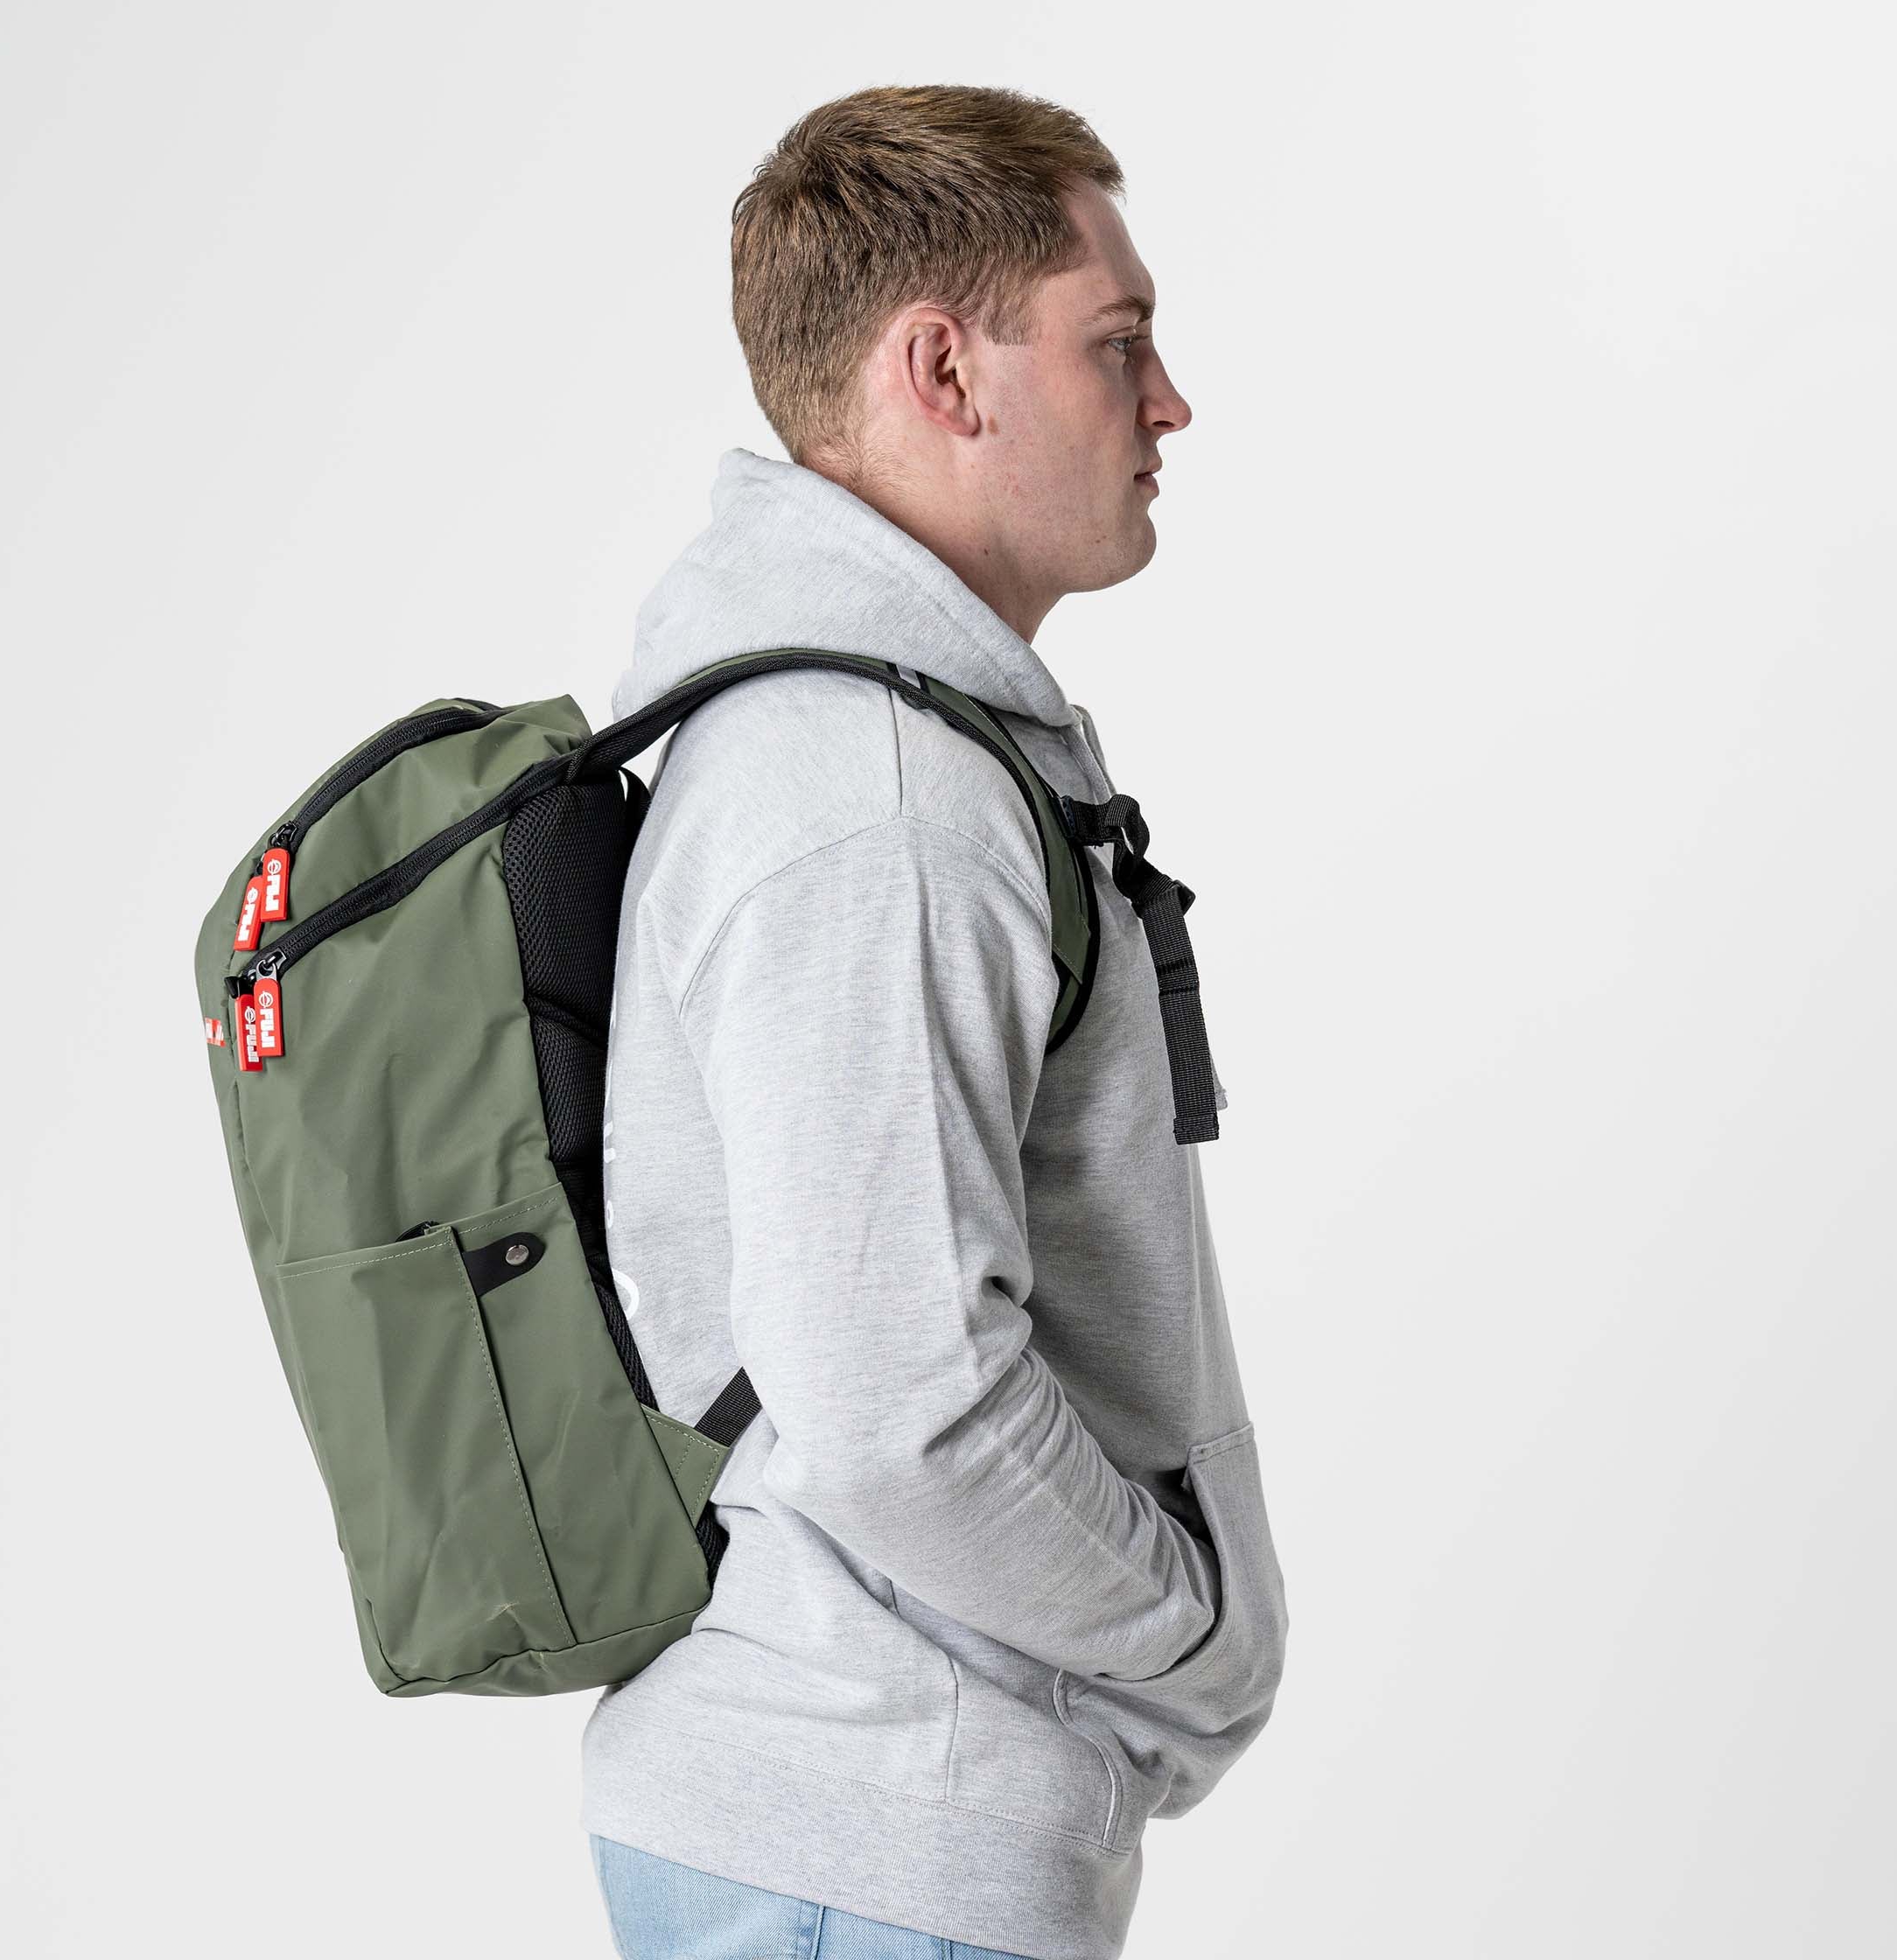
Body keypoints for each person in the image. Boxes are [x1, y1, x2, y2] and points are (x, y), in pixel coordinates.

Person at [580, 83, 1289, 1960]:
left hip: (863, 1821)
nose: (1168, 403)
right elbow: (898, 1407)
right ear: (945, 371)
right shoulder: (872, 799)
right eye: (1117, 343)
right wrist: (1200, 1639)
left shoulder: (873, 746)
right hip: (879, 1838)